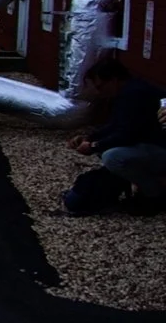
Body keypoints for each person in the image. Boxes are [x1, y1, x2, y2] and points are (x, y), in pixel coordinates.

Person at [67, 58, 166, 214]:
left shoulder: (134, 95)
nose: (99, 92)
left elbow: (127, 134)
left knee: (112, 157)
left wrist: (93, 146)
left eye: (100, 86)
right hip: (151, 145)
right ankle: (131, 185)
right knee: (106, 148)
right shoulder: (127, 92)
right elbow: (116, 126)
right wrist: (89, 138)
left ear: (113, 80)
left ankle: (154, 195)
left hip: (160, 149)